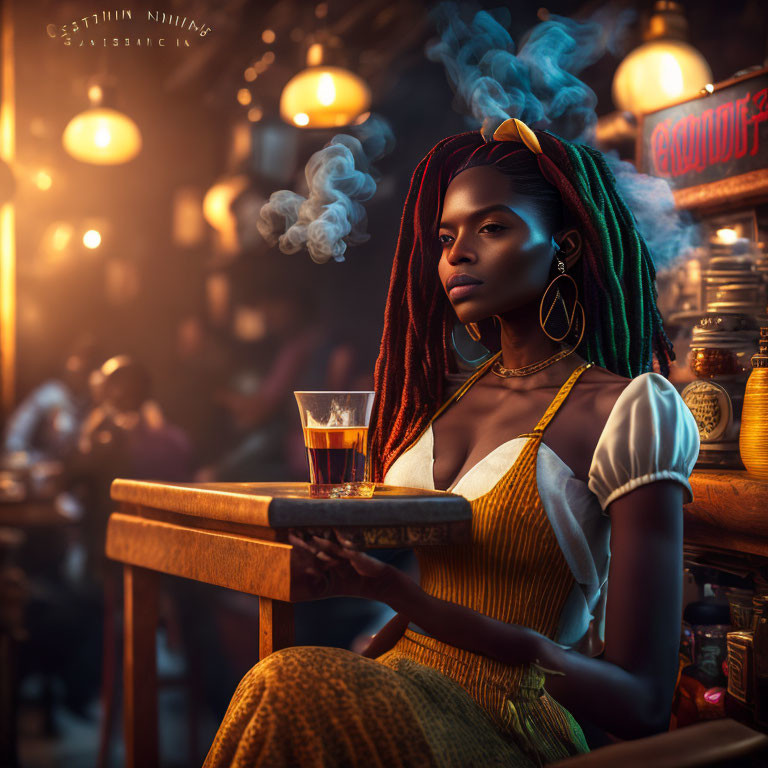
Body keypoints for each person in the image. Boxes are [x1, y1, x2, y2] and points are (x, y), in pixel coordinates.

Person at [203, 119, 700, 767]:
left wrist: (403, 597)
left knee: (286, 682)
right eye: (446, 237)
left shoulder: (625, 410)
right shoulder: (446, 398)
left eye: (492, 228)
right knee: (285, 678)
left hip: (510, 721)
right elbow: (432, 600)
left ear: (567, 249)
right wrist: (366, 616)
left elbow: (643, 703)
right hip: (403, 680)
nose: (457, 253)